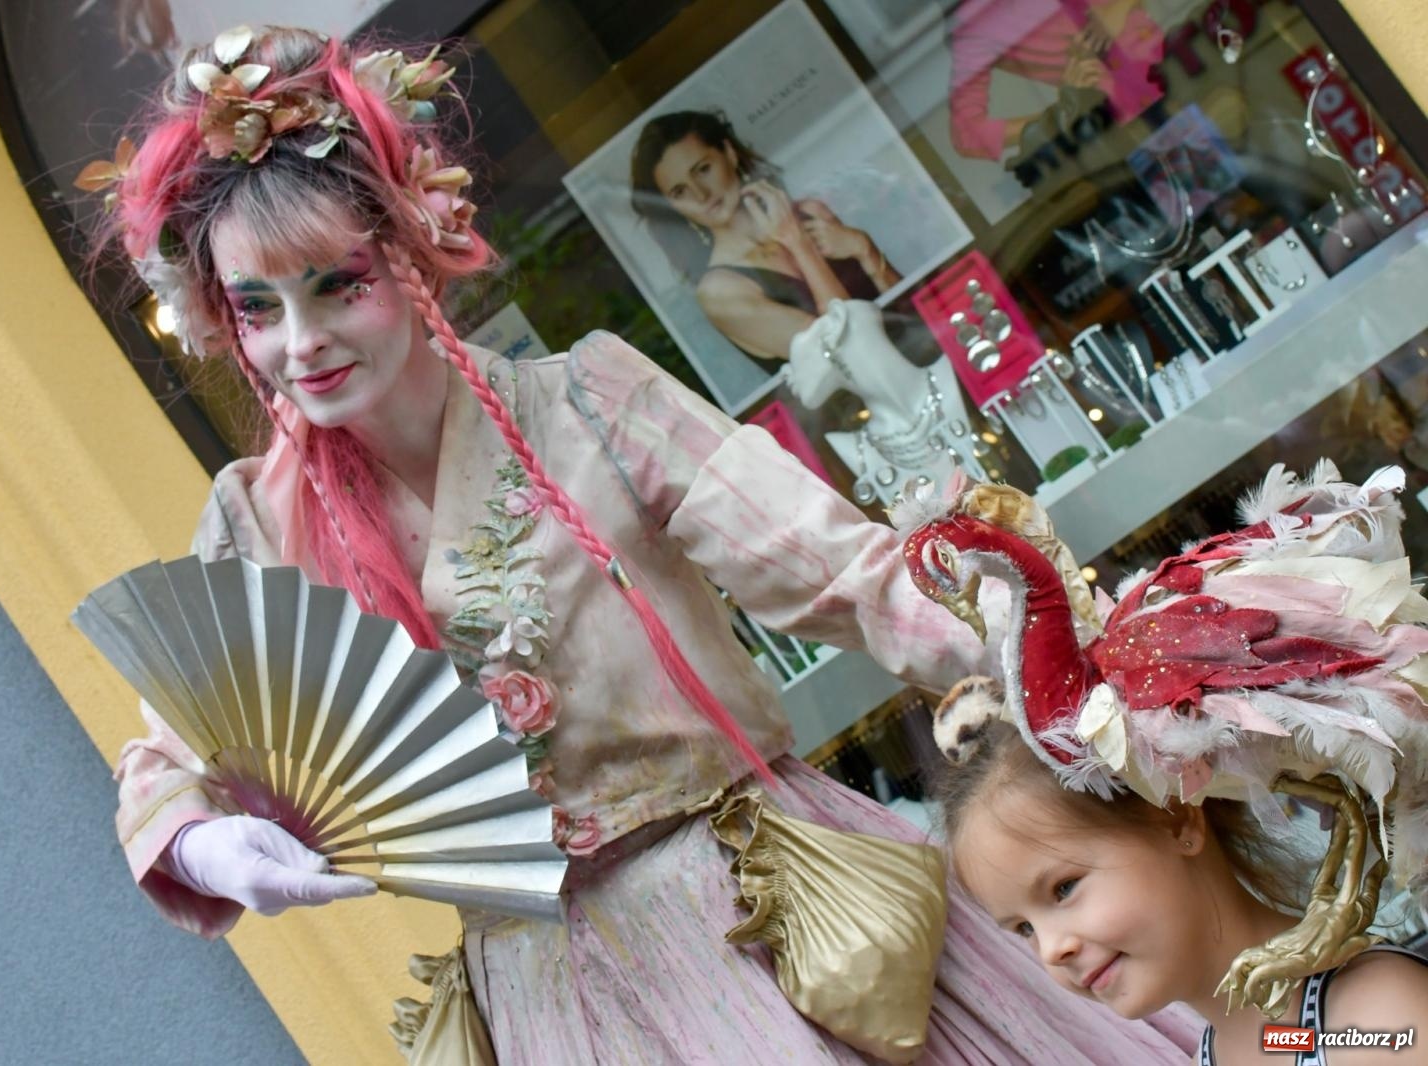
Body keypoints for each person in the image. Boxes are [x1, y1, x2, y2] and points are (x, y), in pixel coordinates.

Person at [94, 26, 1202, 1062]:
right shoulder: (255, 526)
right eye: (258, 308)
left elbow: (847, 577)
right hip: (545, 994)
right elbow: (173, 759)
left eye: (339, 283)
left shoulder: (588, 402)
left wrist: (1091, 670)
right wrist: (201, 842)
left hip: (769, 909)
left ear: (414, 253)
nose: (304, 341)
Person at [942, 723, 1428, 1065]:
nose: (1052, 949)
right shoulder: (1238, 1048)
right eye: (1024, 928)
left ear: (1177, 820)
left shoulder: (1375, 1022)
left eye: (1064, 888)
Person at [630, 110, 900, 367]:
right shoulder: (720, 292)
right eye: (679, 192)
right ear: (674, 209)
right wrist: (799, 245)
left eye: (702, 169)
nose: (700, 194)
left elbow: (910, 308)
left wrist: (866, 249)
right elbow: (850, 354)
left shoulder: (810, 213)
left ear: (729, 153)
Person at [948, 0, 1165, 163]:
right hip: (1123, 126)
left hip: (1178, 64)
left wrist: (1118, 8)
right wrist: (1064, 114)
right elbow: (967, 134)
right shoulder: (974, 27)